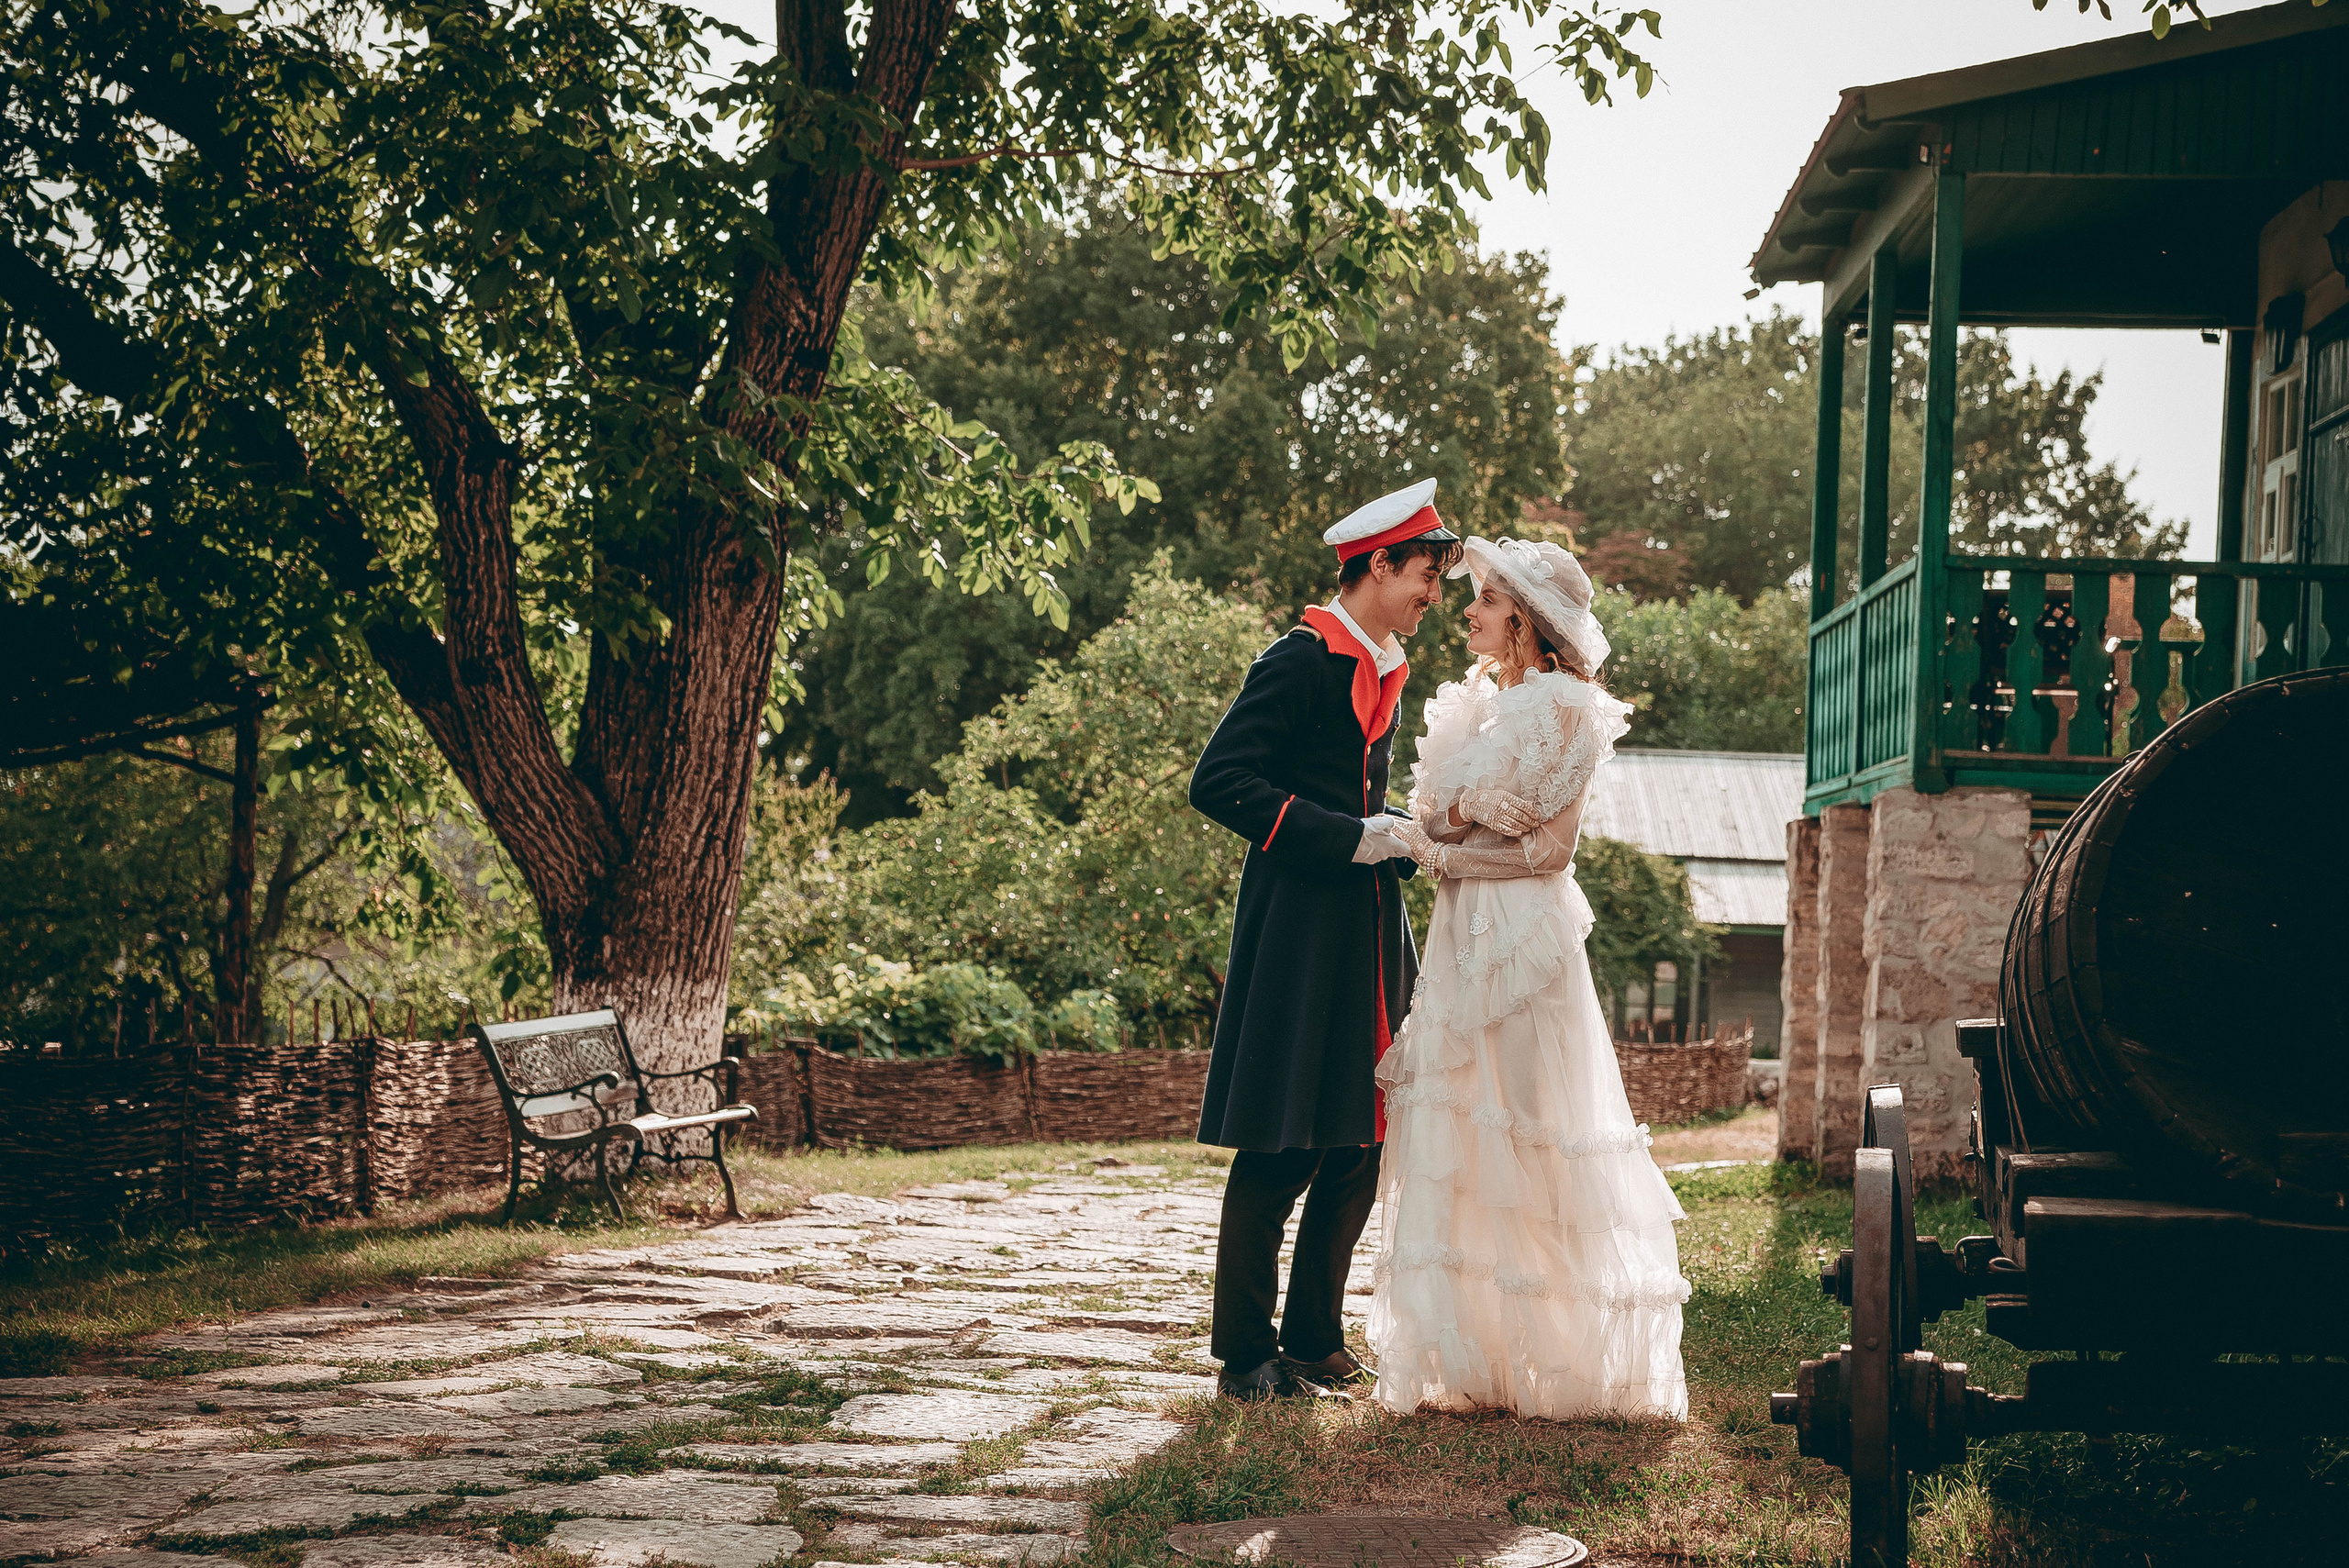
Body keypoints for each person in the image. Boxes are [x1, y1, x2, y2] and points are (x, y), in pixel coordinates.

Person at [1366, 535, 1690, 1419]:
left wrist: (1450, 846)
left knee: (1531, 1123)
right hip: (1462, 930)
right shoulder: (1479, 701)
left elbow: (1548, 852)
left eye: (1485, 600)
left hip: (1521, 941)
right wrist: (1454, 827)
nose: (1466, 610)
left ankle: (1563, 1353)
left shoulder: (1564, 708)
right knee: (1466, 1130)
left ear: (1525, 620)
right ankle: (1481, 1353)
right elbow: (1445, 812)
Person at [1187, 477, 1462, 1402]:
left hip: (1366, 926)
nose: (1434, 595)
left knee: (1362, 1137)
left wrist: (1392, 828)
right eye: (1426, 575)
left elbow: (1342, 789)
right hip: (1299, 927)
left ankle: (1312, 1339)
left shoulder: (1382, 660)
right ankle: (1243, 1354)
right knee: (1280, 1145)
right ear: (1378, 565)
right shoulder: (1299, 659)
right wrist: (1345, 833)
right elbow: (1220, 780)